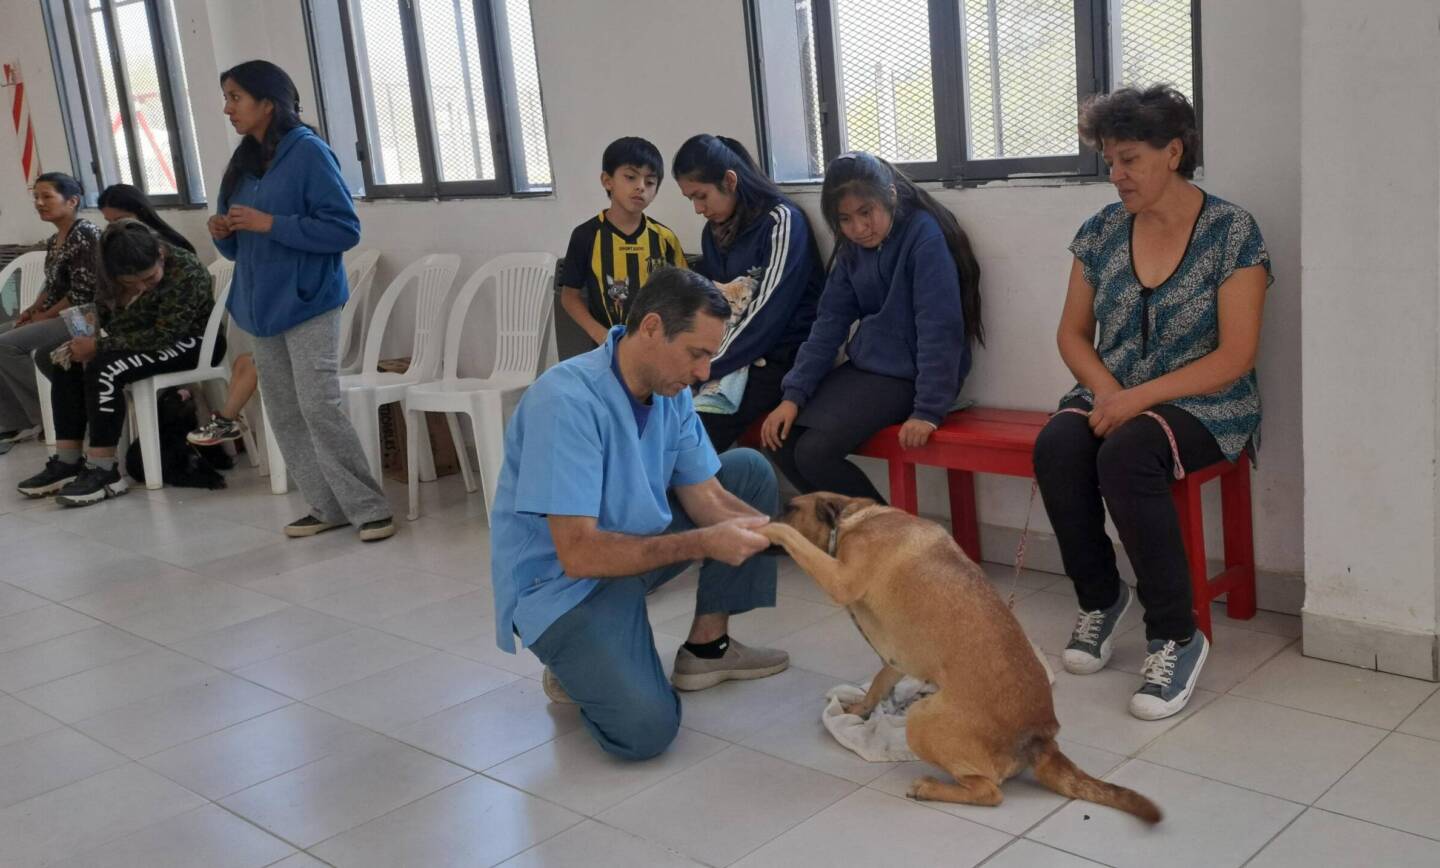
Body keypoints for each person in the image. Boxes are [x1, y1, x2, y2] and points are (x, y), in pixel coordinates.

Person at [1031, 85, 1271, 721]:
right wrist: (1110, 392)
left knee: (1130, 453)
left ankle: (1176, 635)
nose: (1117, 175)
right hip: (1114, 390)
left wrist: (1136, 400)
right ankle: (1101, 598)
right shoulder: (1101, 231)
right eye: (1110, 160)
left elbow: (1235, 356)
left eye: (1130, 159)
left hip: (1206, 401)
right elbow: (1071, 335)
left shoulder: (1231, 231)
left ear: (1174, 151)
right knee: (1058, 444)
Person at [490, 267, 787, 761]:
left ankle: (707, 651)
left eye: (709, 357)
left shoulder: (669, 393)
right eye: (696, 354)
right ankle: (574, 661)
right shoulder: (565, 401)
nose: (703, 373)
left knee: (747, 473)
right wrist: (702, 543)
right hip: (563, 584)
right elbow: (580, 554)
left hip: (629, 549)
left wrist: (800, 539)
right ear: (650, 328)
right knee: (647, 731)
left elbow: (709, 499)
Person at [210, 59, 393, 542]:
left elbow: (343, 229)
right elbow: (239, 243)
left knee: (318, 405)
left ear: (267, 103)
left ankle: (370, 507)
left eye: (235, 98)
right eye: (226, 97)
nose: (227, 108)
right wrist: (224, 232)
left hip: (309, 301)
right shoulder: (244, 162)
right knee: (285, 411)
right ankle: (325, 504)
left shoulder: (309, 153)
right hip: (260, 306)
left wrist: (272, 224)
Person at [760, 153, 983, 501]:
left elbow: (940, 328)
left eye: (866, 213)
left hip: (911, 377)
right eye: (845, 219)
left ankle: (888, 539)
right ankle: (848, 540)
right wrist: (793, 396)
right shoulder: (851, 250)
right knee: (780, 439)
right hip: (867, 369)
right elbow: (828, 325)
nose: (859, 228)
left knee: (814, 453)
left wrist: (928, 411)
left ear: (890, 196)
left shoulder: (923, 236)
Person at [18, 220, 217, 505]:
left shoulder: (185, 269)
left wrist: (98, 345)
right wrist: (98, 323)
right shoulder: (112, 274)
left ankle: (104, 469)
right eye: (130, 283)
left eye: (148, 279)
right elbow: (110, 318)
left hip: (190, 341)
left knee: (107, 367)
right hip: (139, 339)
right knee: (64, 358)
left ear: (160, 254)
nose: (141, 286)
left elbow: (165, 335)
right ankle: (68, 460)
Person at [672, 134, 823, 451]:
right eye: (690, 200)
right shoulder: (713, 234)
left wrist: (705, 368)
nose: (699, 209)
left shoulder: (782, 221)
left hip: (778, 357)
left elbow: (767, 315)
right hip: (728, 357)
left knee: (693, 433)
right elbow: (713, 309)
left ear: (729, 180)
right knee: (664, 411)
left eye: (702, 196)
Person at [0, 173, 101, 447]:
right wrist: (33, 309)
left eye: (47, 197)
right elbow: (53, 283)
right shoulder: (56, 238)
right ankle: (14, 421)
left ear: (72, 201)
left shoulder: (85, 234)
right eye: (36, 197)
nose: (40, 203)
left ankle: (47, 415)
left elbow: (81, 292)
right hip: (58, 312)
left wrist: (44, 316)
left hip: (84, 317)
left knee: (6, 345)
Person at [559, 137, 687, 346]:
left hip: (658, 348)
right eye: (630, 177)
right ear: (607, 180)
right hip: (607, 350)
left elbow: (684, 293)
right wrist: (602, 336)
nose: (640, 187)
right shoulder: (586, 235)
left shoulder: (666, 238)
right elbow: (569, 297)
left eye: (650, 181)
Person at [98, 184, 196, 253]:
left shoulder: (169, 246)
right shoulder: (115, 244)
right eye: (109, 221)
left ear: (141, 213)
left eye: (120, 220)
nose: (115, 226)